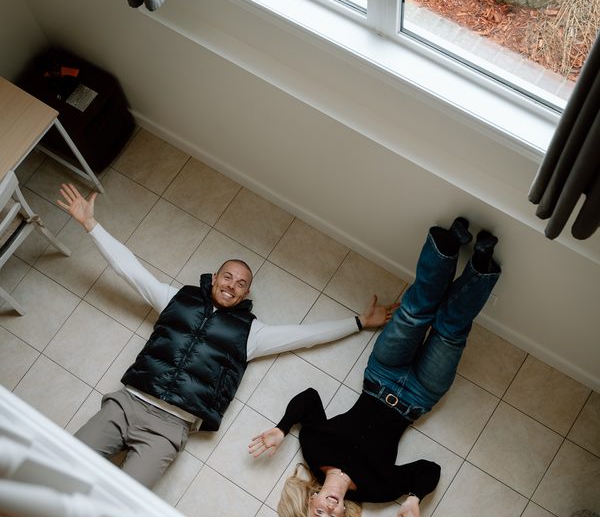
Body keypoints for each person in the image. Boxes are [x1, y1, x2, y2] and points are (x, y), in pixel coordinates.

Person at [56, 183, 396, 487]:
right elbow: (131, 270)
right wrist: (90, 225)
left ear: (246, 294)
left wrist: (358, 321)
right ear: (215, 277)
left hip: (170, 428)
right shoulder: (176, 299)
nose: (232, 285)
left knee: (121, 502)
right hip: (127, 404)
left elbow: (305, 335)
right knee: (61, 468)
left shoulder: (252, 333)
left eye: (241, 283)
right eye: (228, 276)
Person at [248, 218, 501, 517]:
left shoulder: (314, 450)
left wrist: (282, 428)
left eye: (319, 511)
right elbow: (428, 470)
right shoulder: (377, 490)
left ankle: (447, 245)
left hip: (382, 374)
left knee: (415, 312)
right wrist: (414, 500)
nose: (331, 509)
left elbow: (309, 399)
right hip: (420, 395)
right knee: (450, 331)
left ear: (313, 498)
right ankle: (481, 265)